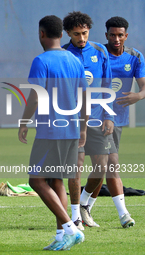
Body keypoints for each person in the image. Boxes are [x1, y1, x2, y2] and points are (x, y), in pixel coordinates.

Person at [18, 15, 87, 251]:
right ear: (62, 34)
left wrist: (24, 121)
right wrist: (84, 127)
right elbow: (85, 97)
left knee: (36, 180)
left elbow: (36, 95)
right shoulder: (75, 60)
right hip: (72, 130)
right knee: (56, 180)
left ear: (42, 33)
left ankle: (71, 228)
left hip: (50, 132)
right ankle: (61, 236)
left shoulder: (41, 60)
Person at [83, 16, 144, 228]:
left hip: (116, 119)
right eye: (112, 35)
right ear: (106, 35)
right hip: (93, 116)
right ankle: (123, 214)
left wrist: (139, 95)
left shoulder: (135, 56)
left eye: (120, 35)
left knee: (103, 167)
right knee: (109, 165)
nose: (116, 39)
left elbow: (143, 87)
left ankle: (84, 205)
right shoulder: (98, 54)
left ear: (126, 36)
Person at [62, 11, 114, 230]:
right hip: (72, 120)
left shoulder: (100, 51)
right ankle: (75, 216)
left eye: (84, 33)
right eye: (76, 34)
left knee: (102, 167)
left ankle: (84, 205)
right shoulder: (63, 53)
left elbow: (107, 85)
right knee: (76, 166)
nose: (81, 38)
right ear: (67, 33)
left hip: (97, 118)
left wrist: (109, 114)